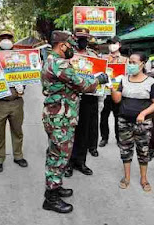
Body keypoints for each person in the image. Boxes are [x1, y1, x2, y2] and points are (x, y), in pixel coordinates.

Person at [41, 30, 109, 213]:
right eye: (69, 45)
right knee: (59, 156)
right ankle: (51, 198)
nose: (72, 48)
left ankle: (56, 185)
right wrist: (99, 79)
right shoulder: (60, 64)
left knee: (56, 153)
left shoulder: (51, 60)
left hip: (58, 115)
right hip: (60, 118)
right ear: (61, 45)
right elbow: (83, 85)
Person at [110, 52, 154, 192]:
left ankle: (144, 179)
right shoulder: (124, 80)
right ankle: (126, 177)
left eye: (133, 62)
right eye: (129, 62)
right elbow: (117, 100)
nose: (130, 65)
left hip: (143, 123)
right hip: (124, 120)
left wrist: (143, 113)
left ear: (142, 64)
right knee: (125, 150)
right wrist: (111, 88)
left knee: (143, 150)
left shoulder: (151, 82)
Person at [0, 31, 28, 173]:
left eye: (8, 38)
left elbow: (28, 73)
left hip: (16, 101)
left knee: (17, 130)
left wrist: (22, 85)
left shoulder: (20, 57)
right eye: (2, 38)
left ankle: (18, 156)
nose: (6, 40)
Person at [65, 27, 100, 177]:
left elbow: (99, 73)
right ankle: (68, 163)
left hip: (89, 97)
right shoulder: (67, 55)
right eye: (79, 37)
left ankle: (81, 161)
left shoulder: (93, 55)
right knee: (70, 131)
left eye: (85, 38)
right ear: (74, 38)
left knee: (85, 131)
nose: (82, 41)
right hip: (71, 96)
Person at [99, 36, 128, 148]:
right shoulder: (103, 59)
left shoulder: (125, 60)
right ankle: (104, 138)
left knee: (118, 117)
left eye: (114, 43)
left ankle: (118, 138)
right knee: (104, 116)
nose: (112, 45)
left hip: (118, 92)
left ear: (119, 45)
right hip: (105, 93)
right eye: (110, 43)